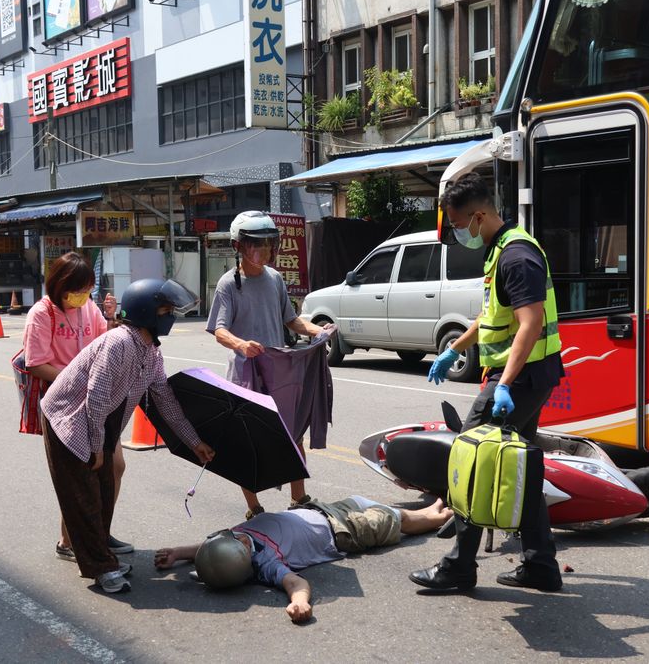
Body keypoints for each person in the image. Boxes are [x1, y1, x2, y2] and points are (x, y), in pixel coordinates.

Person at [412, 172, 564, 593]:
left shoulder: (517, 257)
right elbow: (493, 317)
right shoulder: (501, 247)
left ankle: (460, 567)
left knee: (473, 460)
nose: (460, 234)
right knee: (520, 468)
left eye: (460, 226)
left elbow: (529, 324)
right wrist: (455, 348)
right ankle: (541, 566)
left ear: (480, 215)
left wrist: (503, 385)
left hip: (519, 378)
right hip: (526, 376)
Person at [41, 278, 216, 593]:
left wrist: (195, 442)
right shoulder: (118, 343)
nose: (171, 316)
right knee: (85, 495)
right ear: (147, 311)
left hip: (99, 422)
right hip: (69, 419)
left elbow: (167, 403)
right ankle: (100, 568)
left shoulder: (151, 352)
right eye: (165, 310)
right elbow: (95, 397)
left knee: (105, 490)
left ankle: (100, 554)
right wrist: (97, 447)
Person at [206, 210, 330, 519]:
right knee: (248, 443)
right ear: (239, 247)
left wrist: (315, 329)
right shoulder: (228, 284)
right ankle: (254, 508)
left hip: (278, 371)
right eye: (255, 245)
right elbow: (219, 330)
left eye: (268, 245)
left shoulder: (274, 279)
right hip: (245, 375)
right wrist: (240, 344)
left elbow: (290, 320)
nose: (264, 251)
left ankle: (299, 499)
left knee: (293, 435)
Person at [154, 496, 453, 623]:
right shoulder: (266, 564)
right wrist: (301, 601)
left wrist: (178, 553)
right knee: (398, 519)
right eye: (239, 541)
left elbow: (206, 551)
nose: (237, 534)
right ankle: (444, 516)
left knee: (386, 508)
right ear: (241, 560)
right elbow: (294, 581)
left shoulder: (227, 545)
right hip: (344, 529)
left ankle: (434, 509)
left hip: (321, 509)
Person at [21, 252, 128, 562]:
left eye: (88, 291)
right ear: (60, 285)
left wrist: (109, 319)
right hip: (63, 405)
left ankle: (98, 532)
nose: (83, 297)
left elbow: (103, 344)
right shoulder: (42, 314)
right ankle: (70, 540)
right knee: (77, 476)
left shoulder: (87, 309)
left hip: (94, 400)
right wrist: (77, 382)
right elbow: (36, 363)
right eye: (78, 290)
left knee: (114, 466)